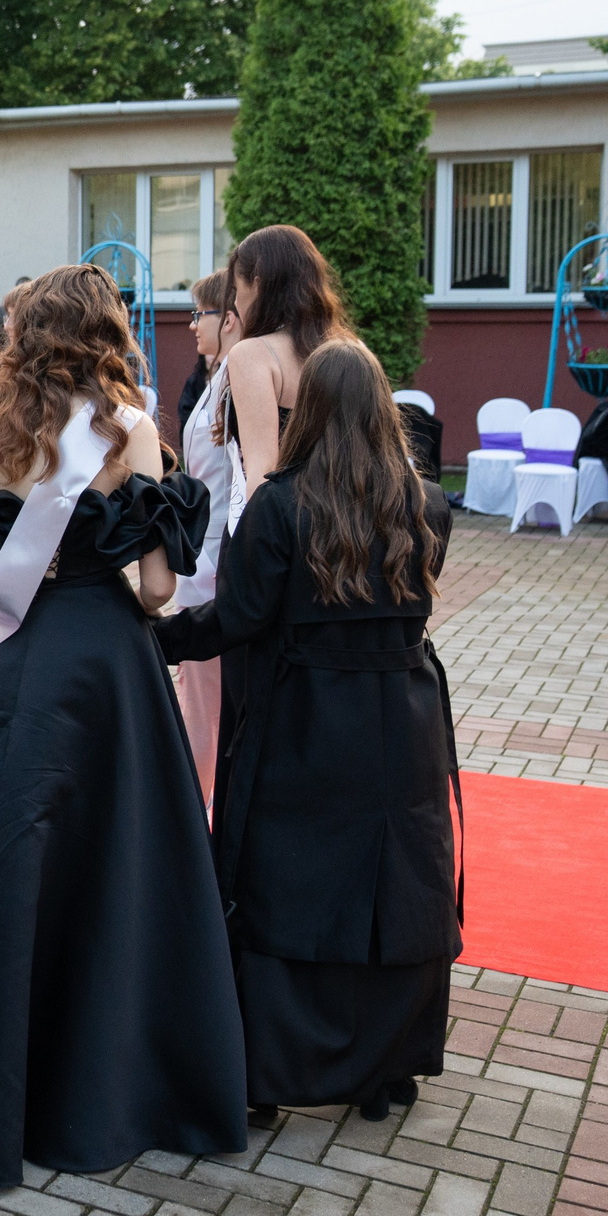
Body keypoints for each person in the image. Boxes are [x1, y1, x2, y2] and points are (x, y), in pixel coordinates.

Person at [0, 266, 241, 1179]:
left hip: (17, 667)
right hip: (110, 673)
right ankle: (106, 1083)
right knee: (117, 870)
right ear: (105, 332)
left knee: (0, 866)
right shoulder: (132, 430)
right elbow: (155, 589)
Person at [155, 339, 460, 1125]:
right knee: (397, 882)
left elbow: (239, 618)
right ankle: (385, 1067)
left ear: (309, 410)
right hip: (408, 718)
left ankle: (276, 1067)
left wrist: (153, 636)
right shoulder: (424, 503)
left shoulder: (281, 506)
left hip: (309, 719)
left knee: (289, 882)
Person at [223, 225, 358, 509]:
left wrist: (255, 543)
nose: (235, 302)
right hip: (350, 521)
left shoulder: (254, 354)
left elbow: (262, 472)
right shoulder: (353, 349)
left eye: (236, 289)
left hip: (286, 525)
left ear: (257, 284)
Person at [174, 270, 239, 798]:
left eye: (202, 314)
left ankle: (198, 813)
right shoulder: (216, 375)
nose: (193, 324)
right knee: (200, 700)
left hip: (220, 558)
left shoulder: (239, 376)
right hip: (203, 554)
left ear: (230, 316)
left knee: (207, 704)